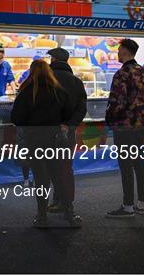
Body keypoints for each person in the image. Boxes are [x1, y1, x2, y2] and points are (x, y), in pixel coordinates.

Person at [11, 60, 78, 228]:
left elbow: (16, 118)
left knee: (41, 179)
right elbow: (69, 113)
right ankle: (69, 213)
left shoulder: (27, 92)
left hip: (35, 141)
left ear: (32, 73)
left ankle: (42, 217)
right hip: (55, 141)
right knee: (58, 177)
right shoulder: (59, 92)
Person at [105, 38, 144, 218]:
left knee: (125, 165)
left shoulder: (121, 74)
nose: (117, 53)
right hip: (140, 125)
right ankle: (142, 204)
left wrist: (110, 120)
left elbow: (116, 102)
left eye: (119, 50)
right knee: (139, 163)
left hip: (123, 126)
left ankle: (127, 206)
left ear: (125, 51)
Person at [46, 47, 87, 218]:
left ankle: (55, 204)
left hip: (47, 132)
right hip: (68, 132)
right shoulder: (76, 82)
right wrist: (69, 125)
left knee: (49, 169)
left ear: (54, 60)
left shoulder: (46, 79)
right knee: (65, 168)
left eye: (50, 58)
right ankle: (65, 203)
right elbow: (82, 109)